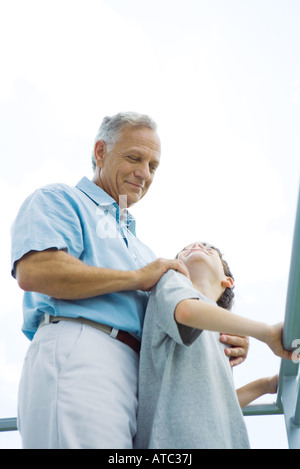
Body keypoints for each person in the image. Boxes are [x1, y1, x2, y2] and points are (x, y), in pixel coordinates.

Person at [11, 112, 248, 449]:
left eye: (153, 165)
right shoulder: (59, 199)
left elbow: (172, 318)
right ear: (100, 152)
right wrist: (138, 277)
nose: (144, 173)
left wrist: (225, 339)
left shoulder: (141, 247)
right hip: (81, 352)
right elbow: (36, 271)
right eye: (135, 158)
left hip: (136, 378)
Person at [134, 241, 293, 449]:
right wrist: (266, 332)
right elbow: (186, 312)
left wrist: (266, 385)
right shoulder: (172, 280)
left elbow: (218, 401)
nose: (196, 246)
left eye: (209, 249)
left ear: (227, 281)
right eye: (185, 249)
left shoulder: (220, 335)